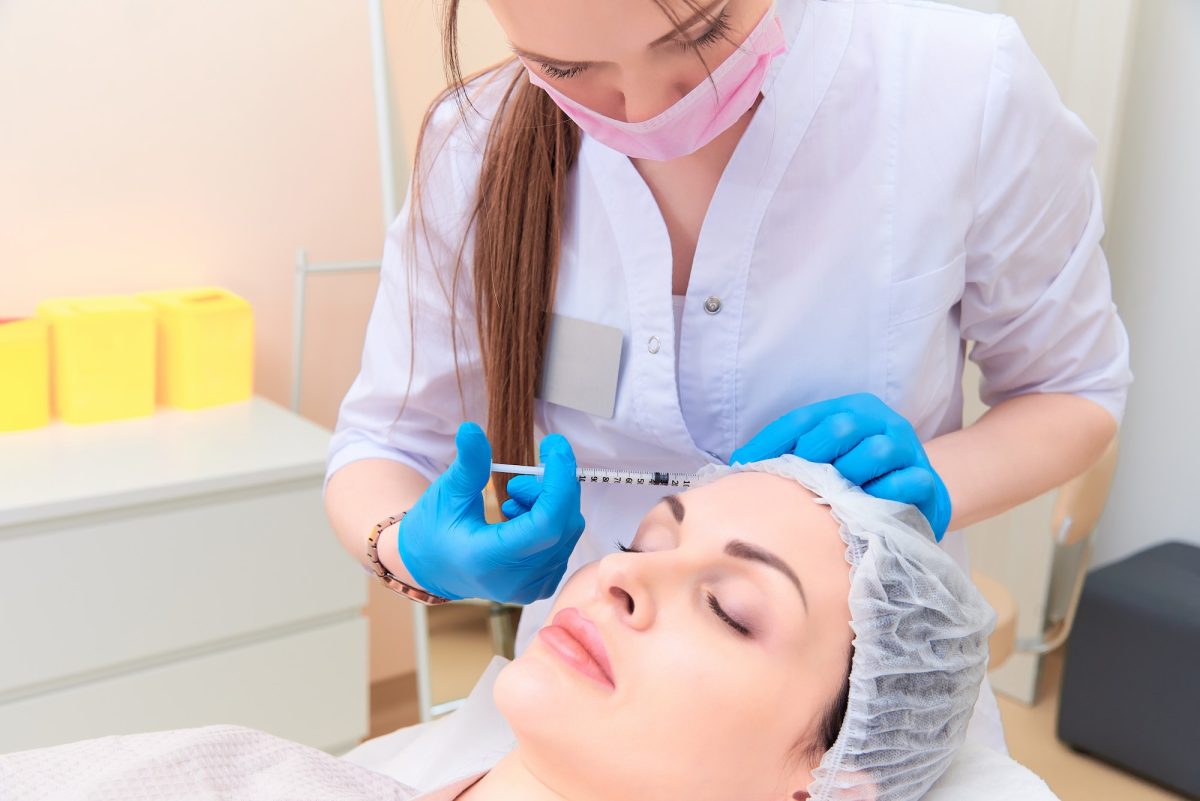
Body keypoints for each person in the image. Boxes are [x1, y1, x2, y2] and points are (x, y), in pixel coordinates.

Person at [324, 0, 1130, 748]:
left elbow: (1075, 390)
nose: (646, 111)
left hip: (844, 712)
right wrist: (409, 550)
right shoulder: (473, 146)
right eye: (566, 70)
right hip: (587, 681)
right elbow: (381, 443)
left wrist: (934, 480)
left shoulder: (955, 89)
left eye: (698, 35)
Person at [1, 457, 995, 801]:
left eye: (734, 610)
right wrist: (406, 546)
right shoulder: (242, 771)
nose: (620, 582)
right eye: (647, 541)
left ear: (819, 782)